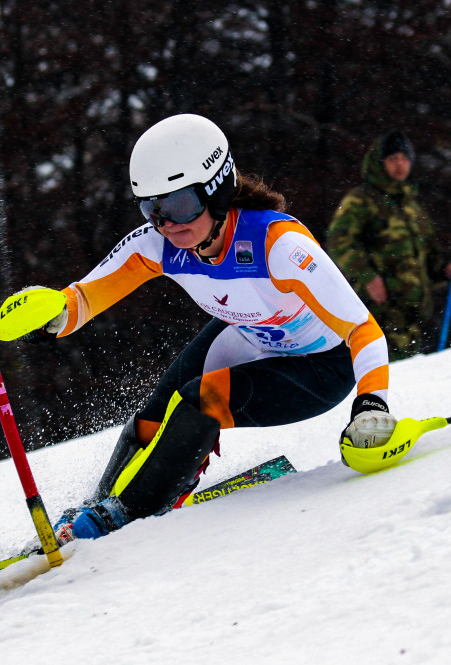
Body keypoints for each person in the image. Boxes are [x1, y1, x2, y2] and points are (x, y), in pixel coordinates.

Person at [22, 114, 396, 550]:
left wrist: (372, 404)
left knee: (202, 397)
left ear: (217, 192)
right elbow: (81, 302)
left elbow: (362, 329)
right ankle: (100, 506)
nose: (168, 224)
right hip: (250, 335)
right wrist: (45, 314)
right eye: (153, 209)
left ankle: (127, 515)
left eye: (180, 205)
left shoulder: (280, 246)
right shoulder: (159, 244)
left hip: (321, 367)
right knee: (152, 416)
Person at [326, 131, 451, 360]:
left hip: (412, 314)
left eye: (405, 159)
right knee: (383, 371)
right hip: (379, 311)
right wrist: (367, 277)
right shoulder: (361, 200)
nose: (400, 165)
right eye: (392, 159)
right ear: (378, 162)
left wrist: (445, 269)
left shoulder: (412, 205)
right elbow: (339, 243)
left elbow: (428, 252)